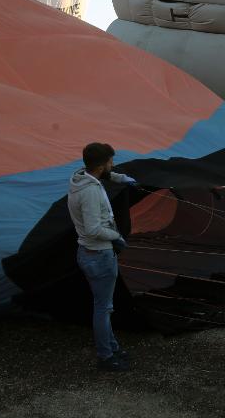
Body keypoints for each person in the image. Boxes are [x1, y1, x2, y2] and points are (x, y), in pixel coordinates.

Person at [68, 142, 137, 371]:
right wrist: (116, 236)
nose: (112, 165)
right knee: (103, 309)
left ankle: (112, 347)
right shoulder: (89, 192)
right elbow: (92, 229)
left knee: (104, 306)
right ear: (100, 165)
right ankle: (106, 356)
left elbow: (102, 177)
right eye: (110, 162)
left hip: (92, 254)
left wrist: (119, 178)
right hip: (98, 255)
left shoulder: (80, 177)